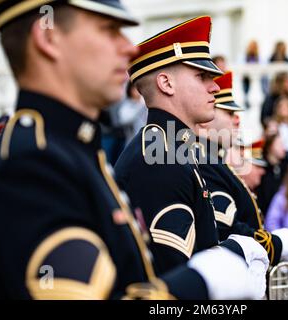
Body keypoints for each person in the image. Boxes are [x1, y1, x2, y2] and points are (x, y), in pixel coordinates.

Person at [0, 2, 267, 300]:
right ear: (49, 38)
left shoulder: (71, 151)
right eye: (109, 30)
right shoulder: (32, 165)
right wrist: (199, 283)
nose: (129, 48)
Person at [113, 17, 269, 279]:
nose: (215, 87)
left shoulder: (173, 149)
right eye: (202, 76)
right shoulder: (160, 158)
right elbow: (176, 278)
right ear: (166, 84)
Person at [194, 71, 288, 266]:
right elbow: (225, 230)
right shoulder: (204, 161)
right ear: (205, 117)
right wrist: (275, 245)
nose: (237, 119)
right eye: (228, 113)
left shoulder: (213, 160)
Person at [256, 133, 288, 214]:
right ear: (270, 147)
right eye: (279, 144)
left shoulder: (286, 167)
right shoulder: (262, 170)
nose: (284, 148)